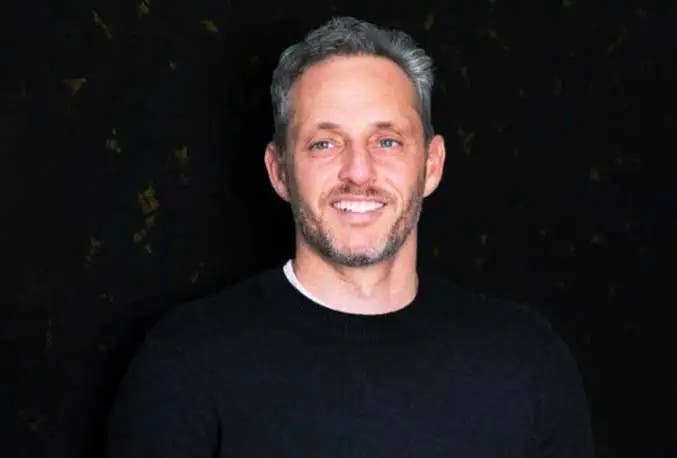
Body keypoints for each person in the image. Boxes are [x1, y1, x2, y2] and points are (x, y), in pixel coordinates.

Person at [106, 16, 596, 457]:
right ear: (279, 171)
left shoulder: (526, 359)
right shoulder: (187, 361)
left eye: (387, 141)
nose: (358, 171)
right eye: (325, 143)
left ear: (432, 164)